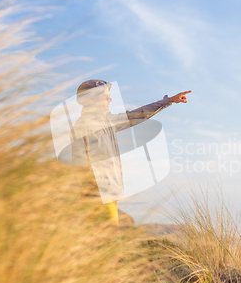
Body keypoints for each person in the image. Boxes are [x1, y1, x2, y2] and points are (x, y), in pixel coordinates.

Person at [71, 79, 191, 225]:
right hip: (98, 196)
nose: (111, 99)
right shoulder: (84, 125)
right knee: (110, 241)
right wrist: (94, 194)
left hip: (109, 195)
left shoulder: (106, 121)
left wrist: (169, 101)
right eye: (106, 96)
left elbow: (137, 115)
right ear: (93, 98)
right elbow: (80, 165)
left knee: (110, 241)